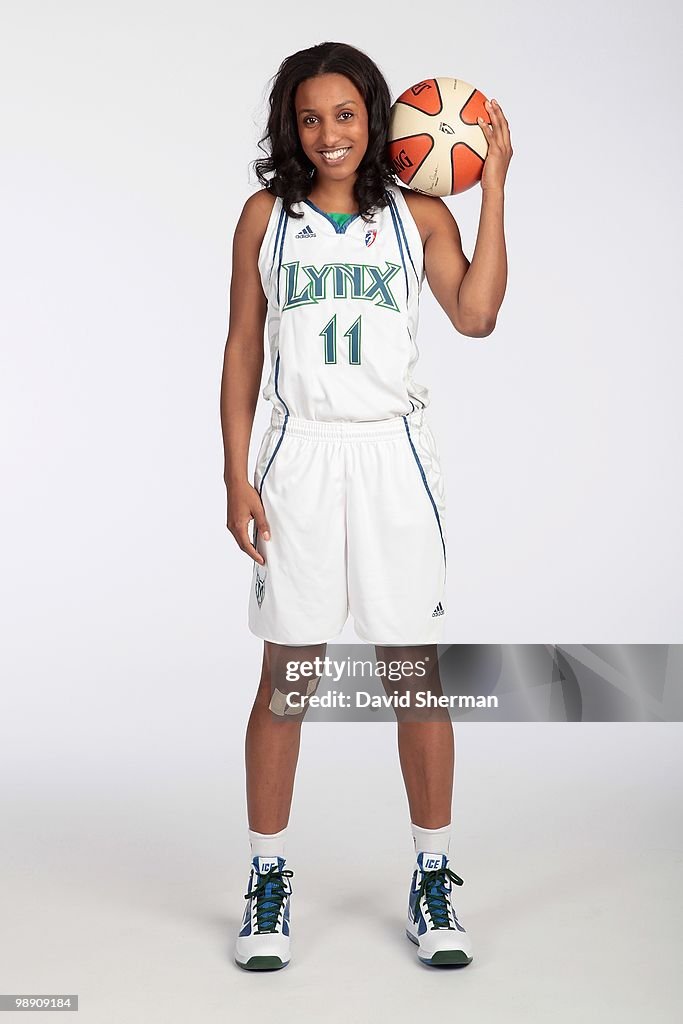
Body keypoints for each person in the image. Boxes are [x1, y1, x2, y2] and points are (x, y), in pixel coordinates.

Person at [220, 41, 512, 970]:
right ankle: (267, 881)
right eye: (310, 117)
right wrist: (236, 474)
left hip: (391, 455)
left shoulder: (415, 215)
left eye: (345, 115)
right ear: (289, 127)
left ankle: (433, 874)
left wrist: (492, 186)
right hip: (299, 455)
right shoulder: (265, 217)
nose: (329, 133)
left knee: (412, 675)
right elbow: (240, 351)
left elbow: (475, 314)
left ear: (377, 119)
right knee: (288, 678)